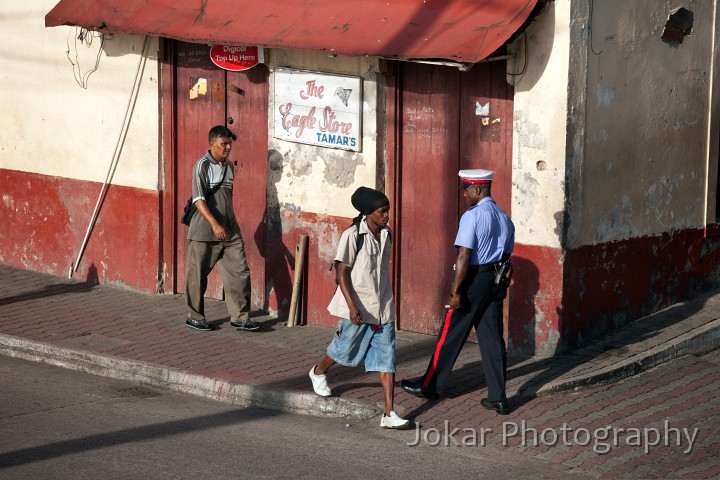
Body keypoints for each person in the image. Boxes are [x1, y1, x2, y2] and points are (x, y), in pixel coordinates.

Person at [400, 169, 515, 415]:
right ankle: (498, 397)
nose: (463, 195)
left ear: (477, 189)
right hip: (495, 279)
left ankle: (430, 385)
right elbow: (507, 254)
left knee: (450, 334)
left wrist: (456, 292)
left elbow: (464, 254)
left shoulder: (472, 217)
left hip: (474, 278)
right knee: (493, 338)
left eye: (465, 189)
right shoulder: (505, 217)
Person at [309, 187, 409, 429]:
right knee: (345, 350)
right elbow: (341, 272)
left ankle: (388, 413)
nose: (387, 215)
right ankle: (318, 371)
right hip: (358, 307)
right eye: (382, 211)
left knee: (387, 359)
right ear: (369, 212)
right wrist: (352, 307)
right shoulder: (354, 235)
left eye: (388, 210)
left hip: (383, 307)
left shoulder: (388, 234)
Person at [184, 125, 260, 332]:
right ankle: (195, 316)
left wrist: (227, 223)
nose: (227, 148)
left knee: (240, 272)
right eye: (223, 144)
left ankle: (240, 318)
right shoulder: (202, 166)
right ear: (211, 144)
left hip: (229, 230)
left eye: (230, 144)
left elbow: (227, 199)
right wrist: (215, 224)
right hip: (204, 230)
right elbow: (198, 199)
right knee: (197, 275)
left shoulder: (229, 167)